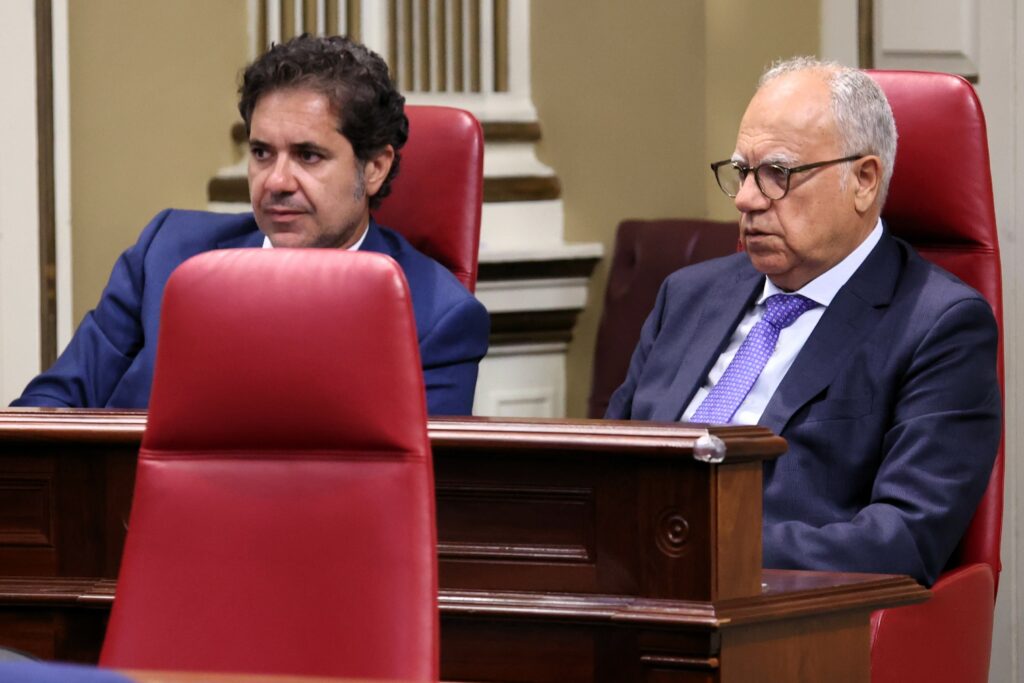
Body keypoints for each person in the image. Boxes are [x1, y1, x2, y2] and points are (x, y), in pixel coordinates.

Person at [605, 57, 1000, 587]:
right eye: (743, 172)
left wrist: (696, 540)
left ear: (863, 180)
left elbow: (903, 539)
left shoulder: (939, 326)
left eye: (777, 174)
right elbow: (604, 461)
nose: (746, 199)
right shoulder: (688, 296)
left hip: (780, 619)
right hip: (621, 591)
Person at [12, 34, 489, 416]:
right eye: (262, 153)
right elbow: (46, 411)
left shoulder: (435, 318)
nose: (276, 181)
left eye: (308, 155)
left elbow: (417, 500)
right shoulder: (167, 254)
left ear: (374, 168)